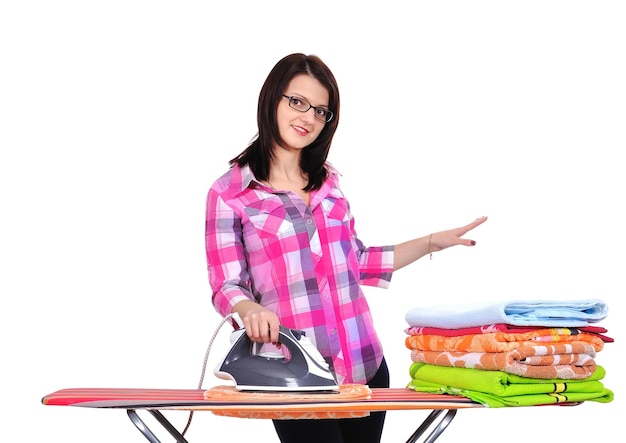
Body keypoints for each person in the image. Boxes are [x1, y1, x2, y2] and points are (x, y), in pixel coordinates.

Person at [205, 53, 487, 443]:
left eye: (321, 111)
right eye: (297, 102)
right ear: (272, 98)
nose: (308, 118)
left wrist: (428, 243)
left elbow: (355, 261)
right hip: (294, 375)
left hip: (364, 362)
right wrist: (248, 307)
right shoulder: (231, 193)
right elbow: (225, 284)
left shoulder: (329, 183)